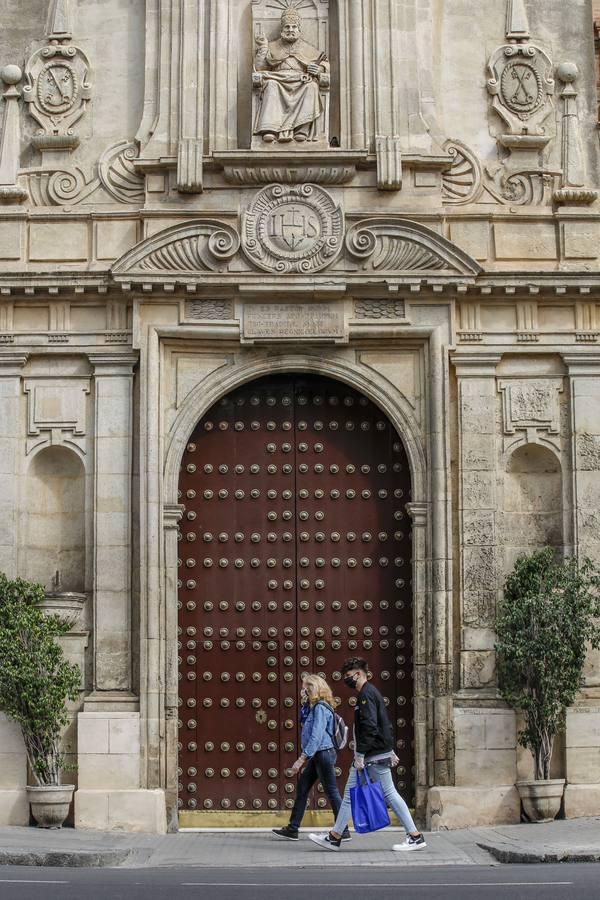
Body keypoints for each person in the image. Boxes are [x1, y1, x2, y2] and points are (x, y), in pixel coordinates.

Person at [309, 657, 427, 852]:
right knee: (349, 795)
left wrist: (361, 755)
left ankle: (415, 836)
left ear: (358, 674)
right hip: (375, 753)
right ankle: (334, 837)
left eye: (348, 676)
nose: (346, 679)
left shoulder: (366, 695)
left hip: (371, 756)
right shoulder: (370, 693)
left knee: (389, 793)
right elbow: (383, 724)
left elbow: (370, 727)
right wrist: (388, 750)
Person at [272, 674, 350, 842]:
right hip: (318, 755)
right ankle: (293, 829)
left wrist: (301, 759)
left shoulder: (321, 707)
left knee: (332, 792)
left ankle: (343, 829)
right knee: (302, 789)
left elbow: (316, 735)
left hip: (323, 753)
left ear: (312, 688)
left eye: (305, 687)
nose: (302, 690)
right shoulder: (313, 707)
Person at [253, 7, 329, 144]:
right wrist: (263, 47)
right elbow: (260, 68)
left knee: (311, 87)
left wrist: (318, 69)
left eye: (294, 27)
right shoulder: (272, 46)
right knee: (270, 85)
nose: (290, 29)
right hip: (278, 79)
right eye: (287, 26)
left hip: (301, 81)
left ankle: (302, 129)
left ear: (299, 30)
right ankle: (270, 129)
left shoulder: (308, 48)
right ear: (282, 30)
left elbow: (324, 64)